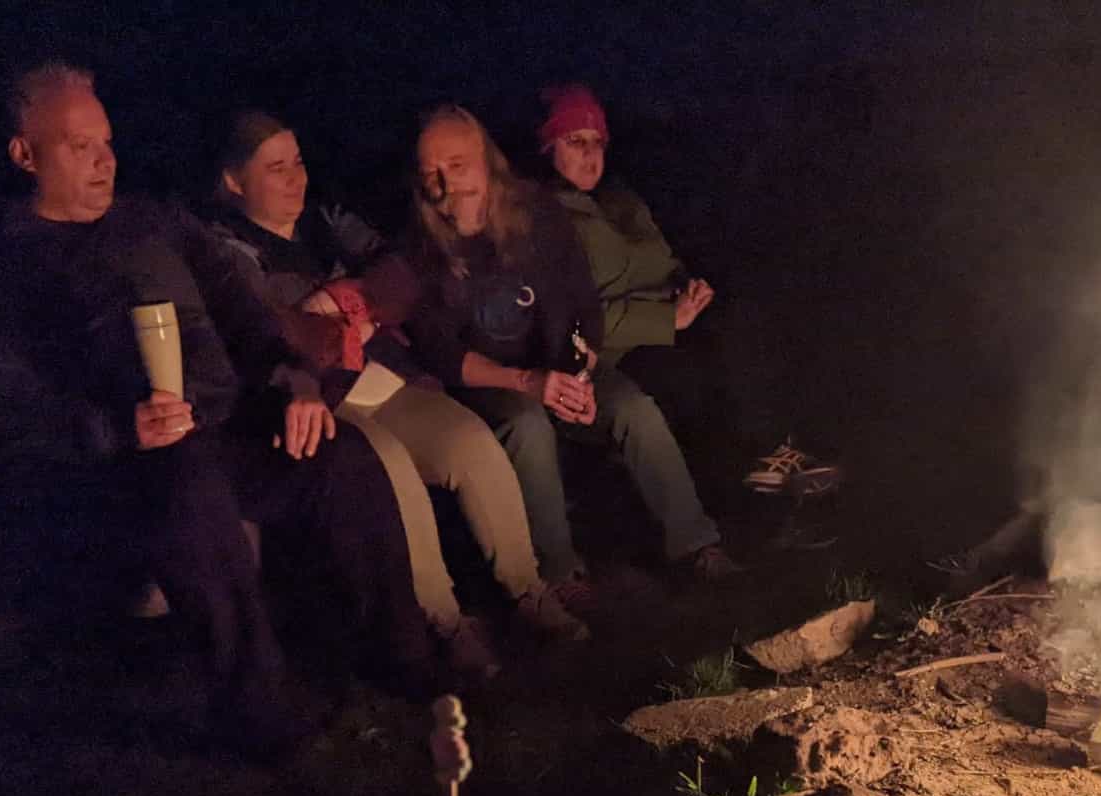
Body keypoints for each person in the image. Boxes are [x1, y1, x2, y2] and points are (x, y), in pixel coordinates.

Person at [0, 63, 442, 758]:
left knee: (340, 456)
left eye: (108, 142)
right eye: (81, 147)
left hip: (229, 426)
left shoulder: (154, 221)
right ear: (25, 154)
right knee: (188, 492)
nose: (106, 161)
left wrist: (294, 384)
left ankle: (401, 654)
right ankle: (257, 709)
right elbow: (3, 397)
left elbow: (248, 323)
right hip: (128, 458)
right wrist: (116, 428)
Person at [207, 111, 588, 649]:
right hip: (318, 399)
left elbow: (401, 274)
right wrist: (326, 322)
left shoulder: (328, 220)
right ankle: (445, 622)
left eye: (297, 162)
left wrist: (345, 298)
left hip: (385, 377)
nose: (296, 177)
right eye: (276, 168)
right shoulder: (225, 252)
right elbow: (267, 331)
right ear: (233, 181)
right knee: (391, 475)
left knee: (472, 444)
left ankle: (529, 591)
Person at [366, 104, 739, 604]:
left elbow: (584, 304)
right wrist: (528, 383)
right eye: (432, 170)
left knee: (632, 409)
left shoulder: (537, 214)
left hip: (560, 370)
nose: (446, 183)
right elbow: (444, 354)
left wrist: (578, 372)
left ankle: (697, 545)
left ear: (486, 161)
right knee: (527, 424)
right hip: (492, 383)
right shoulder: (420, 247)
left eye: (457, 165)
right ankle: (560, 574)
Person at [538, 84, 841, 500]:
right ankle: (749, 475)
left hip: (668, 315)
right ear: (548, 147)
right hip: (613, 349)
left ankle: (780, 452)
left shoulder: (619, 200)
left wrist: (687, 285)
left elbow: (660, 262)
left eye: (598, 143)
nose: (591, 156)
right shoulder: (544, 217)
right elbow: (576, 318)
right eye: (576, 142)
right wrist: (669, 318)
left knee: (747, 317)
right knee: (691, 375)